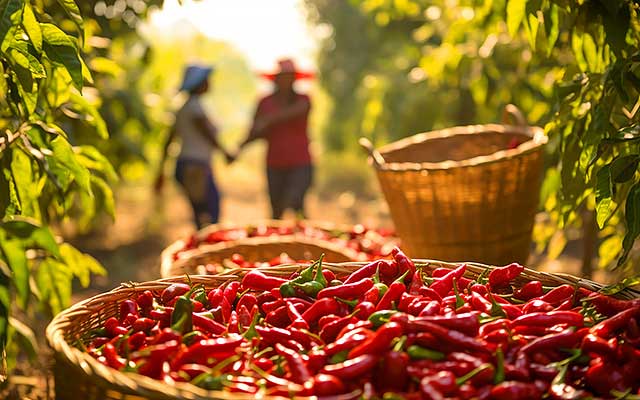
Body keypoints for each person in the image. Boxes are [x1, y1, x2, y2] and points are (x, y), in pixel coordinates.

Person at [155, 64, 234, 228]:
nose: (209, 83)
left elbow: (169, 140)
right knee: (211, 213)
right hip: (195, 166)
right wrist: (227, 153)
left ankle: (202, 246)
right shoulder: (194, 107)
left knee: (201, 212)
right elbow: (209, 135)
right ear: (199, 83)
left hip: (186, 164)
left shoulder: (183, 108)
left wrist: (161, 170)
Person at [240, 58, 314, 219]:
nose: (287, 80)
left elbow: (294, 112)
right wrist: (239, 148)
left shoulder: (303, 100)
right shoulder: (264, 102)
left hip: (300, 163)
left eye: (290, 76)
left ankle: (304, 241)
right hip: (275, 164)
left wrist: (268, 121)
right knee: (276, 209)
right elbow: (255, 131)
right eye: (284, 76)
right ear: (276, 79)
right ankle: (276, 242)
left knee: (296, 201)